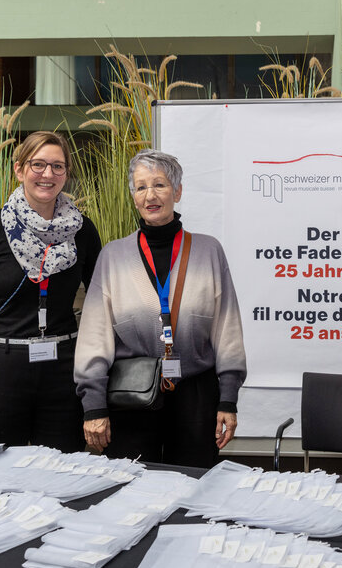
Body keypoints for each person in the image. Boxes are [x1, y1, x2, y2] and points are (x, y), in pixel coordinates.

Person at [74, 149, 247, 468]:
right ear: (133, 197)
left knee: (194, 484)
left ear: (177, 192)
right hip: (131, 395)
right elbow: (93, 337)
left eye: (159, 185)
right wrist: (94, 405)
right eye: (141, 187)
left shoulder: (208, 251)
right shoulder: (113, 256)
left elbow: (228, 330)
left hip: (197, 397)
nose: (150, 195)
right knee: (131, 485)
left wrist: (228, 399)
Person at [0, 131, 101, 451]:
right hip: (1, 372)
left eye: (58, 166)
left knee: (63, 471)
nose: (48, 174)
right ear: (19, 170)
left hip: (63, 372)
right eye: (38, 164)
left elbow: (100, 308)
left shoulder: (83, 231)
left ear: (66, 174)